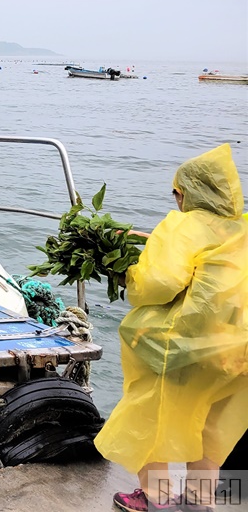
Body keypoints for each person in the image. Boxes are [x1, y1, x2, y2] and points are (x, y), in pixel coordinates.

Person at [96, 144, 248, 512]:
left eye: (177, 193)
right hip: (237, 351)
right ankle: (199, 502)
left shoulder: (183, 225)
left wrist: (129, 272)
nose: (176, 201)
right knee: (213, 428)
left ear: (189, 193)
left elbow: (157, 283)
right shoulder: (242, 229)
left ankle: (156, 498)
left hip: (185, 346)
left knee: (154, 418)